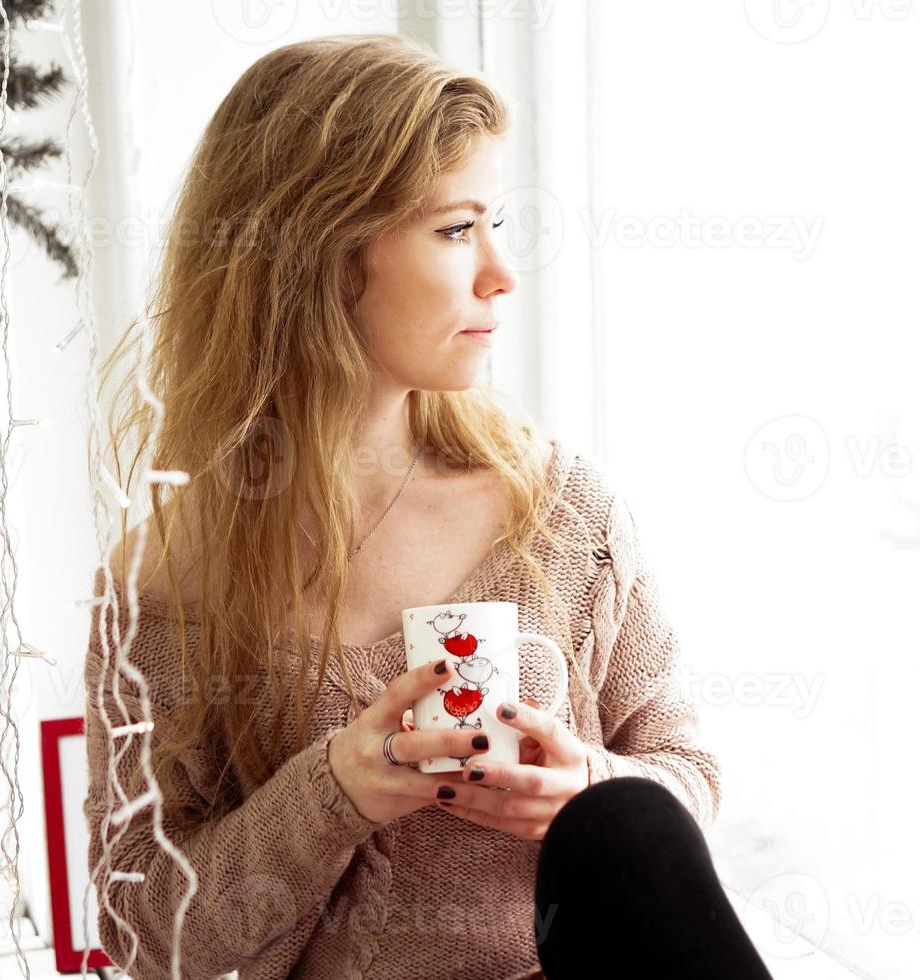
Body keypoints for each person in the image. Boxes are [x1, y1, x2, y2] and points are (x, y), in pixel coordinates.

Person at [83, 33, 768, 980]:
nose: (501, 272)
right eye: (456, 230)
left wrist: (583, 790)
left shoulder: (562, 513)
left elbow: (688, 777)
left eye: (498, 224)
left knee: (629, 818)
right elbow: (144, 928)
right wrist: (334, 792)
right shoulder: (165, 582)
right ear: (317, 254)